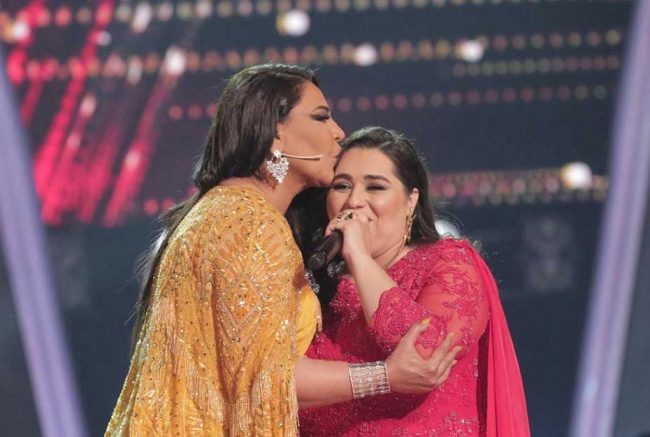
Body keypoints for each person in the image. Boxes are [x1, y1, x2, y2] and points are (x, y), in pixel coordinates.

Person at [106, 65, 460, 436]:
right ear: (276, 132)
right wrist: (384, 376)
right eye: (321, 117)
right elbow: (263, 381)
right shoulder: (253, 226)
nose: (338, 132)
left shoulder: (219, 213)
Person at [297, 127, 531, 436]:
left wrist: (359, 258)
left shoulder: (449, 262)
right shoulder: (315, 286)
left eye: (375, 187)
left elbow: (426, 353)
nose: (354, 201)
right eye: (342, 186)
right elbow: (272, 383)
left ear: (411, 200)